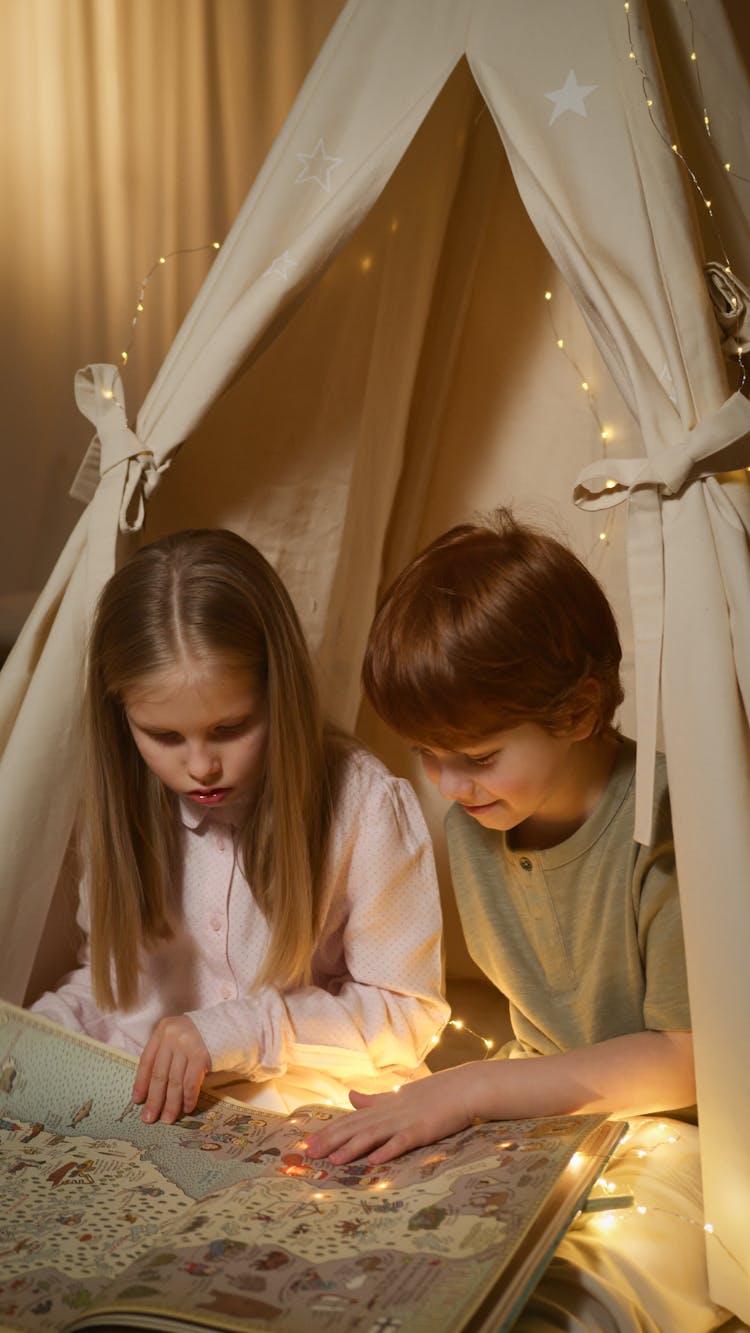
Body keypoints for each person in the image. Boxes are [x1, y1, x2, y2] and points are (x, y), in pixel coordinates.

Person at [307, 510, 734, 1332]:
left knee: (578, 1297)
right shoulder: (479, 822)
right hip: (546, 1125)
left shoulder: (672, 823)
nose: (446, 784)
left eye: (475, 755)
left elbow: (688, 1065)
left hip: (689, 1141)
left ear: (578, 713)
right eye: (428, 754)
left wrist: (474, 1089)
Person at [31, 529, 448, 1123]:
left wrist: (240, 1030)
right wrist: (42, 1031)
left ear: (279, 693)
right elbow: (118, 994)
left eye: (229, 728)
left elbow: (408, 1019)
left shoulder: (366, 804)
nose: (200, 765)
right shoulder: (121, 806)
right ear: (121, 717)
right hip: (153, 1117)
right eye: (165, 736)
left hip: (312, 1111)